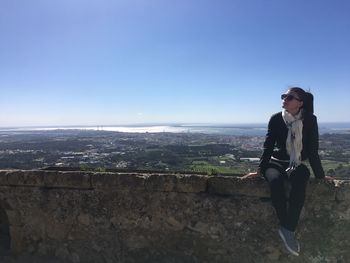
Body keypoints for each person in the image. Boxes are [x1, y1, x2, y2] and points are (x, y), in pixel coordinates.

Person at [243, 87, 333, 256]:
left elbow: (313, 150)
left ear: (300, 103)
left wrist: (320, 175)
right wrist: (259, 170)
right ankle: (287, 229)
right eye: (284, 96)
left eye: (290, 97)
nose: (285, 99)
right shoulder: (276, 119)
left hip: (295, 163)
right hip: (275, 162)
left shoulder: (310, 120)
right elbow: (268, 146)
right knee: (276, 182)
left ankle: (288, 229)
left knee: (300, 182)